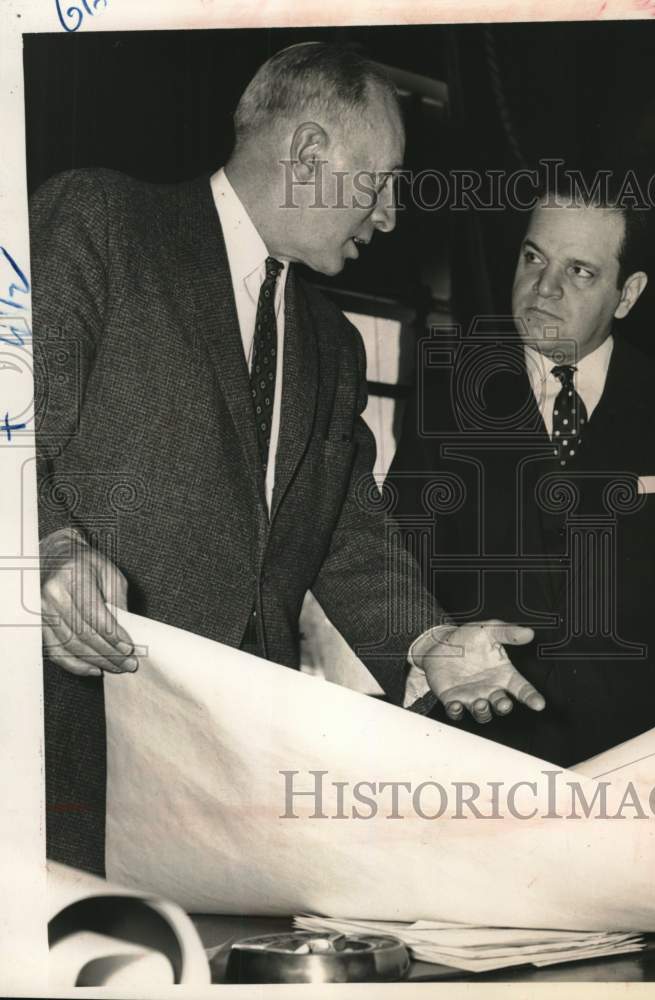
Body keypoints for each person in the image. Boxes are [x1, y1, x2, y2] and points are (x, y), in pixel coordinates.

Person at [33, 42, 546, 875]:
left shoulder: (333, 346)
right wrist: (49, 547)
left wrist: (426, 639)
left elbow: (346, 527)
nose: (389, 216)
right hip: (62, 753)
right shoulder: (103, 224)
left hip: (229, 784)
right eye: (379, 183)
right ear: (309, 153)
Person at [388, 185, 655, 767]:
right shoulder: (445, 402)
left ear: (627, 294)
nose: (544, 288)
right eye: (534, 257)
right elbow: (395, 566)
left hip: (647, 766)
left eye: (579, 271)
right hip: (476, 753)